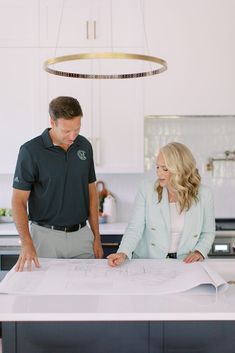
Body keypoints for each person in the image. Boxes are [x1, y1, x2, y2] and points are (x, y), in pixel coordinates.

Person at [12, 96, 103, 271]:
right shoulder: (30, 151)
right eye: (66, 131)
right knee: (46, 295)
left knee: (86, 293)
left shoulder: (84, 146)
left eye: (77, 129)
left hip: (82, 237)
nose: (73, 136)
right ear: (52, 123)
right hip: (45, 238)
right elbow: (18, 201)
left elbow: (91, 193)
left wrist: (96, 236)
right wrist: (26, 242)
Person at [108, 142, 215, 267]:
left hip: (186, 263)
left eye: (165, 169)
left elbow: (208, 232)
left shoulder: (204, 194)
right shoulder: (146, 189)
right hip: (150, 262)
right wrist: (123, 253)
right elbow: (134, 228)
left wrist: (199, 252)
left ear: (180, 169)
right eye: (157, 167)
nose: (159, 173)